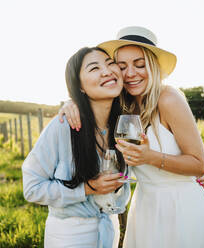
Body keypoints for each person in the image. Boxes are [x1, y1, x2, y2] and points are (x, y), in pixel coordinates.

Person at [58, 26, 204, 247]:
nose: (130, 73)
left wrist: (149, 157)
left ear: (151, 65)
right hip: (144, 205)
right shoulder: (123, 105)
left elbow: (200, 165)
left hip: (179, 206)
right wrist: (71, 103)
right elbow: (90, 96)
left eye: (139, 64)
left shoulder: (169, 99)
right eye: (121, 67)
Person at [22, 47, 130, 248]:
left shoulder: (125, 124)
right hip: (68, 235)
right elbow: (32, 189)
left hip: (109, 229)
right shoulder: (64, 125)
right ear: (79, 86)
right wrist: (87, 189)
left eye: (109, 63)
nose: (106, 71)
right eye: (94, 68)